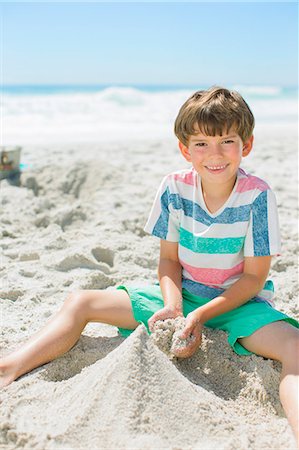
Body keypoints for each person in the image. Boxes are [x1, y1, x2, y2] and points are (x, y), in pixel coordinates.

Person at [0, 87, 298, 443]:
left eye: (227, 142)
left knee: (294, 347)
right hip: (182, 296)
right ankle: (9, 369)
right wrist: (173, 306)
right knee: (80, 302)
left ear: (245, 145)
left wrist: (201, 317)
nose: (214, 154)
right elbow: (169, 260)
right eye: (201, 144)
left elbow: (253, 279)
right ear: (185, 148)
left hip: (239, 306)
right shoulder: (173, 188)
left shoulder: (257, 196)